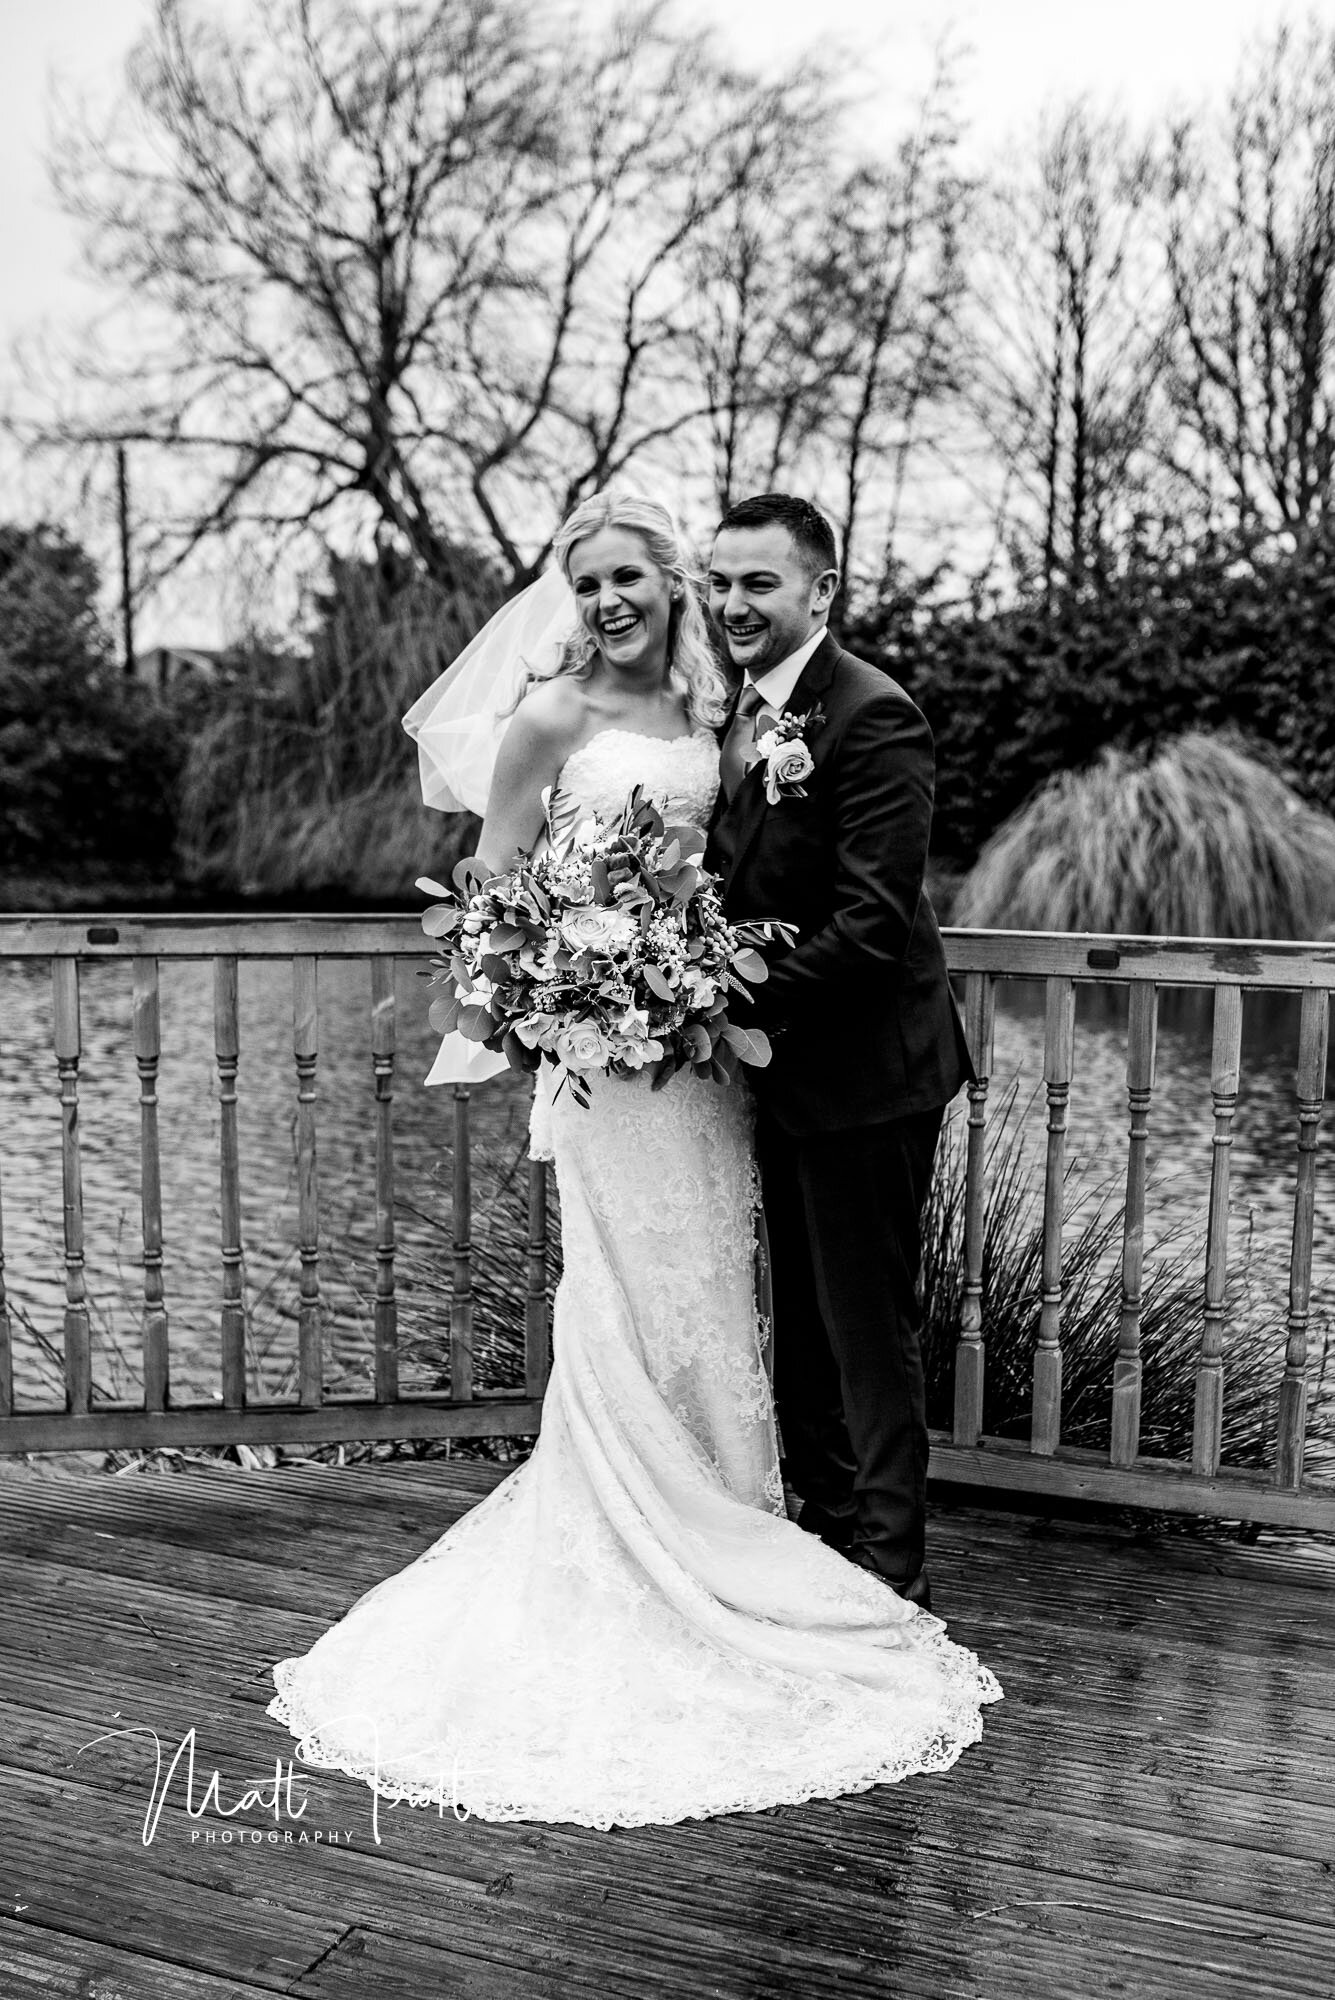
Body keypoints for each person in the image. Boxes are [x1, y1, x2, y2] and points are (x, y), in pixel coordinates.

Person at [266, 490, 998, 1829]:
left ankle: (846, 1569)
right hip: (636, 1064)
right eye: (586, 578)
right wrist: (556, 986)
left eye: (641, 578)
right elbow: (494, 893)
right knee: (645, 1303)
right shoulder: (566, 715)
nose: (617, 599)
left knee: (790, 1315)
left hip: (748, 1064)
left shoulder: (766, 712)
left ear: (797, 592)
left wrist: (704, 985)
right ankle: (696, 1537)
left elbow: (845, 911)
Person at [705, 493, 974, 1612]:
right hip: (785, 1072)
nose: (731, 604)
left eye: (758, 583)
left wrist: (725, 999)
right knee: (805, 1325)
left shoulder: (872, 714)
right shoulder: (741, 713)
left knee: (868, 1330)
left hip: (866, 1071)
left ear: (820, 591)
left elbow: (871, 927)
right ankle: (823, 1535)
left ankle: (890, 1575)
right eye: (719, 582)